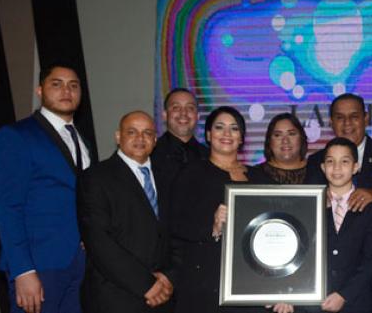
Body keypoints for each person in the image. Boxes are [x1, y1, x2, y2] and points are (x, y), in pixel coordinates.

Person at [0, 62, 98, 313]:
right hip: (39, 264)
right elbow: (8, 207)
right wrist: (22, 269)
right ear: (40, 90)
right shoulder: (17, 135)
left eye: (73, 86)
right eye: (57, 84)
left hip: (80, 265)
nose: (66, 91)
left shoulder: (82, 140)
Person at [309, 93, 372, 313]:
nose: (347, 123)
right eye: (340, 117)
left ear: (366, 118)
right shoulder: (315, 162)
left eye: (354, 116)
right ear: (331, 121)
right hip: (331, 285)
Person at [269, 137, 372, 313]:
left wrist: (343, 295)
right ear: (323, 167)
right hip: (311, 304)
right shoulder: (309, 204)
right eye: (330, 161)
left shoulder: (368, 208)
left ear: (356, 167)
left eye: (344, 161)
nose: (337, 168)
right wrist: (289, 292)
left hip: (355, 303)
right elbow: (296, 252)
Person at [77, 111, 174, 312]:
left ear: (155, 140)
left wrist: (168, 276)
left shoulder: (168, 177)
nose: (140, 138)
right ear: (118, 137)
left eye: (147, 133)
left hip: (164, 297)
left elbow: (178, 232)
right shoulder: (95, 177)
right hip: (116, 298)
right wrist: (146, 284)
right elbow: (98, 240)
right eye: (132, 132)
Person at [170, 106, 250, 313]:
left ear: (241, 137)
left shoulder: (258, 177)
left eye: (234, 129)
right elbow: (174, 224)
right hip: (204, 280)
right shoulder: (191, 173)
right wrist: (211, 226)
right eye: (219, 127)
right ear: (208, 134)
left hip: (248, 278)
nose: (226, 134)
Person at [248, 113, 325, 185]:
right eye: (278, 135)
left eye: (291, 134)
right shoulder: (253, 175)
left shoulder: (320, 173)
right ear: (269, 141)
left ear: (301, 138)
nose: (285, 141)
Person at [152, 88, 209, 180]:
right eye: (176, 108)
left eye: (190, 108)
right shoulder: (150, 155)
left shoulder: (209, 157)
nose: (183, 113)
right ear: (165, 115)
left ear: (197, 116)